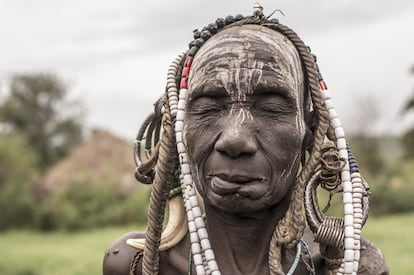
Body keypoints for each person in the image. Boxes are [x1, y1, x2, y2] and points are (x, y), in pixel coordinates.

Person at [103, 6, 389, 275]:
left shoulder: (349, 266)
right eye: (208, 106)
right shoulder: (135, 264)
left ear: (310, 131)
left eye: (272, 107)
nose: (234, 139)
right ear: (178, 128)